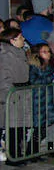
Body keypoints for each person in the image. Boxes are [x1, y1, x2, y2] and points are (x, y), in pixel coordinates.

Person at [0, 29, 30, 162]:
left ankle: (18, 153)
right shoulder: (6, 55)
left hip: (21, 92)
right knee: (13, 126)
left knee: (20, 126)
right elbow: (4, 76)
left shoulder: (19, 52)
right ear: (12, 40)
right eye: (20, 37)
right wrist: (10, 93)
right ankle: (13, 156)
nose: (23, 39)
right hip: (13, 94)